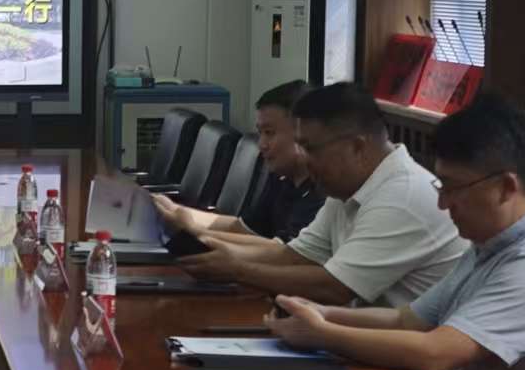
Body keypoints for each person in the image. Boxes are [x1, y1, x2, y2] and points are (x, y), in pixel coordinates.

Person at [268, 94, 525, 370]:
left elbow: (435, 353)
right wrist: (323, 313)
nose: (442, 203)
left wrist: (324, 334)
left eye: (453, 188)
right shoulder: (490, 243)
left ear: (505, 187)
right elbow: (407, 321)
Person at [180, 81, 465, 305]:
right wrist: (216, 251)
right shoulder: (347, 188)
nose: (304, 159)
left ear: (357, 147)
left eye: (311, 148)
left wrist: (237, 269)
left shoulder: (402, 197)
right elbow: (296, 257)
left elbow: (334, 287)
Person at [152, 79, 324, 244]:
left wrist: (197, 231)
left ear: (303, 133)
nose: (262, 144)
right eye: (260, 133)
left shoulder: (322, 192)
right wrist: (173, 210)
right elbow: (243, 228)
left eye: (270, 133)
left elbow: (282, 251)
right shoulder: (282, 177)